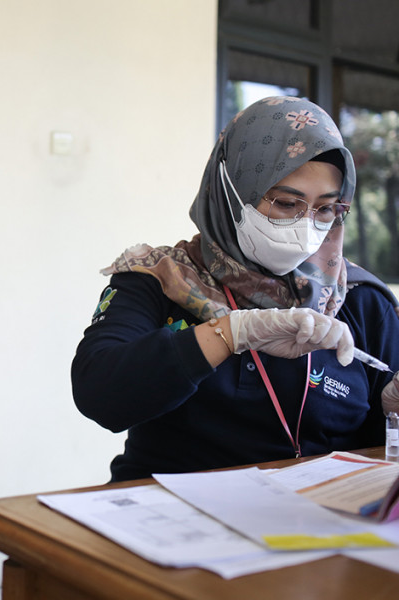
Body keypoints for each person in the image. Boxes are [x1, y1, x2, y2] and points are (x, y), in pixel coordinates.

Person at [72, 96, 399, 482]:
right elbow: (100, 395)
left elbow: (375, 453)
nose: (306, 226)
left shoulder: (358, 298)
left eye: (326, 208)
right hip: (173, 508)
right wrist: (232, 332)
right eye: (286, 203)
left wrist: (389, 408)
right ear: (233, 190)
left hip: (317, 510)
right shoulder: (162, 279)